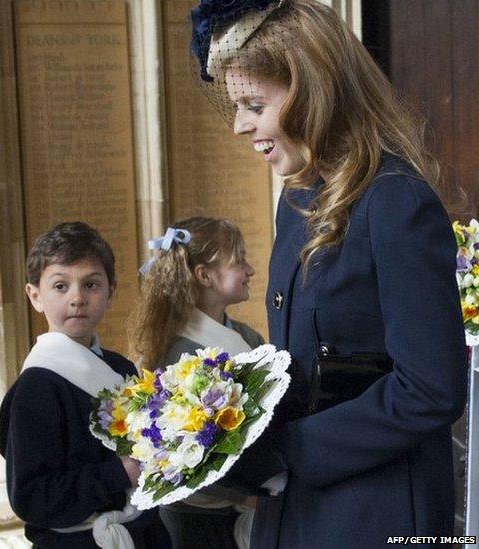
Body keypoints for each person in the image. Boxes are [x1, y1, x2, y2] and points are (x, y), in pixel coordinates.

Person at [189, 1, 468, 547]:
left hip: (377, 508)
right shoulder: (298, 198)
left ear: (312, 91)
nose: (242, 125)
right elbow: (306, 361)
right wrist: (234, 430)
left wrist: (289, 451)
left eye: (254, 104)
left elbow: (431, 390)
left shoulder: (395, 201)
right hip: (300, 504)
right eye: (236, 106)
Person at [0, 221, 171, 548]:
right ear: (35, 295)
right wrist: (120, 474)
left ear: (111, 291)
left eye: (91, 285)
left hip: (142, 533)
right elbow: (32, 497)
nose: (77, 298)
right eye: (60, 286)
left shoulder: (120, 367)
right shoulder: (36, 388)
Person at [132, 217, 262, 549]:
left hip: (248, 501)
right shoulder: (180, 353)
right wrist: (245, 496)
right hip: (197, 517)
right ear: (204, 275)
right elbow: (181, 455)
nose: (250, 270)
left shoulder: (247, 336)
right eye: (239, 261)